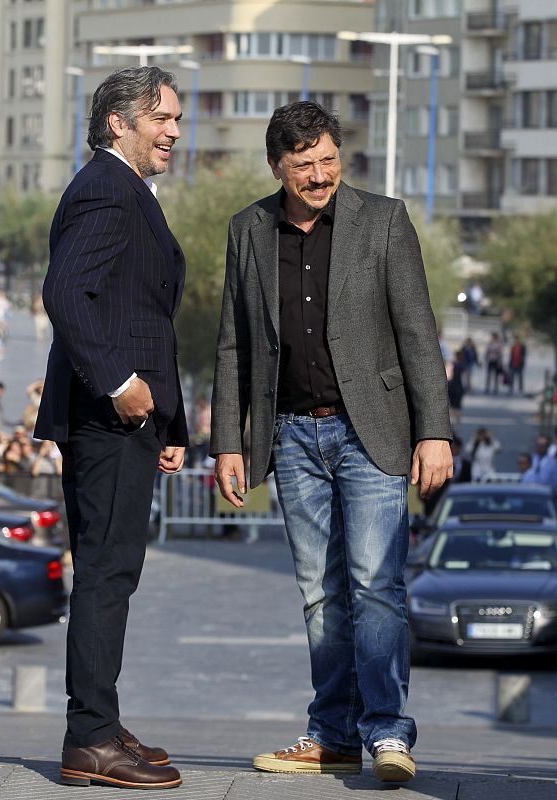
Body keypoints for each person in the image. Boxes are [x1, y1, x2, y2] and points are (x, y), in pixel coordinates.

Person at [210, 101, 452, 784]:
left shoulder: (384, 221)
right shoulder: (247, 230)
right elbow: (233, 344)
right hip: (289, 436)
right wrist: (229, 440)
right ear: (277, 167)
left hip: (370, 431)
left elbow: (417, 333)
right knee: (320, 593)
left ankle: (387, 734)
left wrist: (434, 429)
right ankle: (333, 732)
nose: (319, 176)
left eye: (327, 160)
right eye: (303, 165)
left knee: (377, 586)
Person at [33, 66, 187, 790]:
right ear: (118, 122)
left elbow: (140, 314)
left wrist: (171, 419)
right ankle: (90, 737)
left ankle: (99, 718)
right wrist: (124, 386)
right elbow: (65, 291)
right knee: (104, 572)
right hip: (107, 417)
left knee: (111, 571)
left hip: (128, 421)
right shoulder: (106, 188)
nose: (175, 132)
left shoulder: (126, 191)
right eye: (163, 119)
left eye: (178, 120)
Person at [447, 350, 466, 425]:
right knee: (458, 404)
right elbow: (465, 377)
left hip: (451, 386)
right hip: (460, 387)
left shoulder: (452, 364)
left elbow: (448, 376)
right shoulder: (463, 365)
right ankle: (458, 420)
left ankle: (452, 420)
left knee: (452, 403)